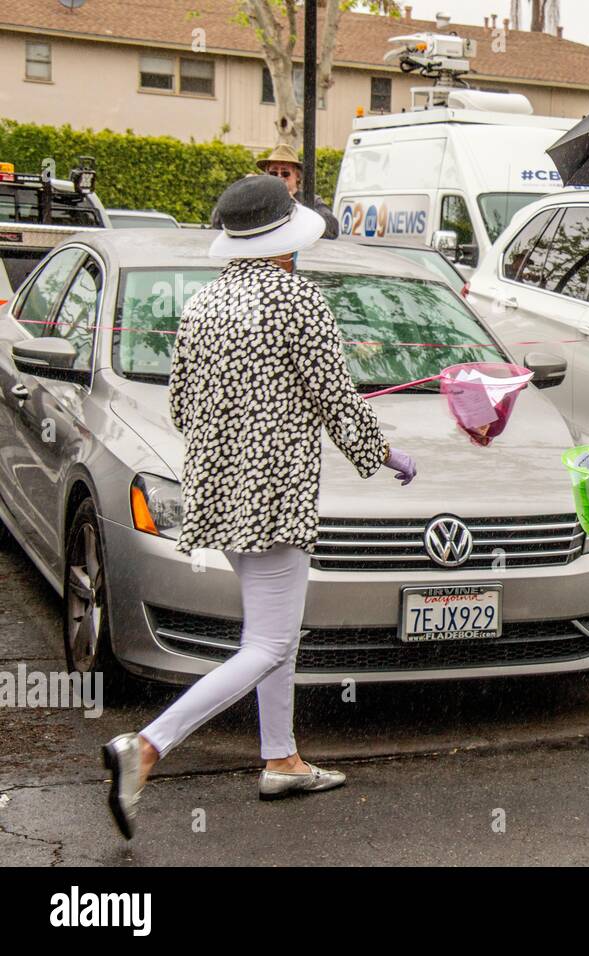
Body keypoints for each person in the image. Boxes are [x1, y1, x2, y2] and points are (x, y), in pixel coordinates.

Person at [102, 175, 418, 840]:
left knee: (272, 634)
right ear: (285, 242)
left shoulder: (204, 303)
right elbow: (336, 399)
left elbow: (181, 403)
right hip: (278, 492)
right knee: (271, 641)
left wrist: (234, 444)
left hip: (221, 490)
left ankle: (282, 758)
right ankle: (149, 745)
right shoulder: (299, 301)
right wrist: (385, 457)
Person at [210, 144, 340, 237]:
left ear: (297, 177)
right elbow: (217, 221)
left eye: (285, 173)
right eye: (273, 173)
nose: (279, 178)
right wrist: (243, 193)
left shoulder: (311, 200)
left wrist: (295, 204)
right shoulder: (259, 199)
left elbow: (332, 230)